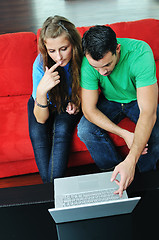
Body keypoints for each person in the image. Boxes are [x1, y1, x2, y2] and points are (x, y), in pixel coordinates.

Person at [77, 25, 159, 197]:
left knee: (155, 129)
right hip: (110, 101)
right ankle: (114, 176)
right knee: (85, 130)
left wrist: (131, 160)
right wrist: (124, 133)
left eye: (106, 65)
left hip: (136, 99)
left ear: (117, 48)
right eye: (96, 67)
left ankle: (144, 176)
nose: (102, 72)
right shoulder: (87, 62)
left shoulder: (140, 53)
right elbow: (89, 109)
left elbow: (147, 112)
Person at [28, 15, 83, 183]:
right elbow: (41, 119)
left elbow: (95, 89)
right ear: (45, 49)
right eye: (52, 51)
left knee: (62, 130)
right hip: (41, 103)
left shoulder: (83, 58)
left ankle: (51, 190)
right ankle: (52, 191)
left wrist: (78, 102)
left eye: (63, 48)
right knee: (38, 134)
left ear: (73, 42)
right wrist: (42, 91)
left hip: (68, 102)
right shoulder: (39, 65)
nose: (58, 57)